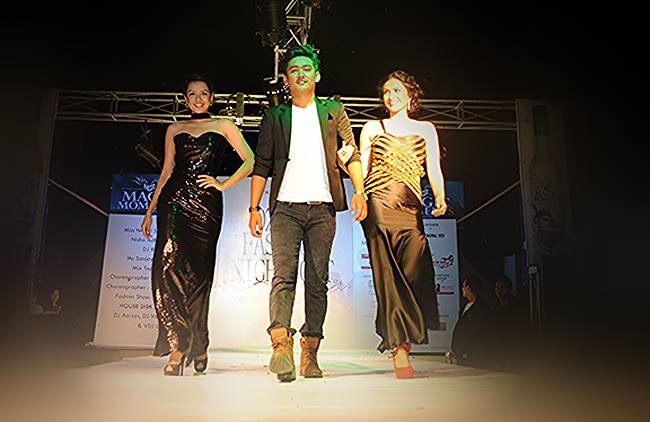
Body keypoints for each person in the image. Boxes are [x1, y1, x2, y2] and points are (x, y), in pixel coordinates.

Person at [248, 44, 367, 383]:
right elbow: (262, 163)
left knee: (317, 282)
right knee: (283, 278)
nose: (300, 73)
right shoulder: (275, 115)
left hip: (322, 209)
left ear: (317, 74)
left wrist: (359, 191)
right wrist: (254, 207)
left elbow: (351, 152)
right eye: (293, 70)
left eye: (305, 68)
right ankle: (280, 347)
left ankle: (310, 352)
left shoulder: (334, 110)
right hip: (285, 208)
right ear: (286, 80)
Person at [141, 74, 254, 376]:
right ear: (185, 99)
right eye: (192, 94)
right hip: (174, 204)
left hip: (206, 207)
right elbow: (166, 171)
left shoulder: (223, 125)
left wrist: (223, 184)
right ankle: (178, 346)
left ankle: (199, 343)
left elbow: (250, 160)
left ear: (211, 98)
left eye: (203, 93)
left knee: (200, 277)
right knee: (167, 271)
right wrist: (150, 210)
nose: (198, 99)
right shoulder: (174, 129)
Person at [359, 69, 447, 379]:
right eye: (386, 92)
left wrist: (440, 197)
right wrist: (356, 189)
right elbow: (363, 168)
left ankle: (401, 337)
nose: (390, 96)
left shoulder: (426, 129)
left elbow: (433, 167)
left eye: (396, 90)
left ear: (411, 95)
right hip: (378, 203)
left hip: (411, 207)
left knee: (412, 270)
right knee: (388, 275)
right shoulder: (373, 127)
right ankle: (400, 347)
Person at [451, 275, 494, 368]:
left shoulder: (481, 308)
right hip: (461, 352)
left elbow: (479, 332)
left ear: (469, 288)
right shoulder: (465, 306)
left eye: (463, 286)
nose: (462, 289)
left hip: (472, 355)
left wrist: (467, 351)